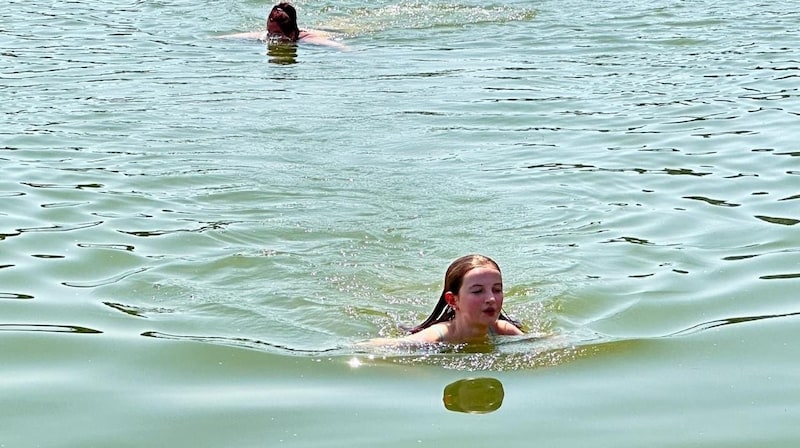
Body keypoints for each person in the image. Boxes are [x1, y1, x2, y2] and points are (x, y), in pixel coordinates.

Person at [367, 254, 525, 346]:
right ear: (452, 300)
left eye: (497, 290)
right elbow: (378, 347)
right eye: (477, 291)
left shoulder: (503, 329)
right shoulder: (435, 338)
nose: (491, 298)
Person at [217, 3, 346, 49]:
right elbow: (232, 37)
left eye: (276, 35)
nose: (271, 37)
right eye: (269, 32)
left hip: (334, 33)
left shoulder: (307, 40)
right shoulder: (266, 35)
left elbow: (337, 46)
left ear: (290, 34)